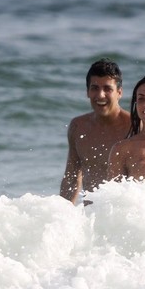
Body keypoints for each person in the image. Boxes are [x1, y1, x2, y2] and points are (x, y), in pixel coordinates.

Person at [59, 58, 131, 204]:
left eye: (107, 89)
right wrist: (62, 215)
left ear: (119, 92)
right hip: (91, 219)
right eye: (94, 88)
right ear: (87, 92)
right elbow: (72, 178)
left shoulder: (134, 127)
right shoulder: (78, 127)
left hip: (125, 218)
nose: (100, 95)